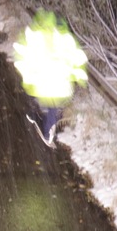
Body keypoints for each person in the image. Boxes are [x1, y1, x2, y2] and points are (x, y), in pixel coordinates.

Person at [11, 10, 88, 146]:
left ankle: (34, 112)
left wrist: (24, 72)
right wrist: (80, 78)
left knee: (35, 92)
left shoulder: (32, 33)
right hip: (61, 85)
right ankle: (49, 127)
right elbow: (77, 57)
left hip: (39, 84)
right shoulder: (65, 37)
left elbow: (21, 54)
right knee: (55, 102)